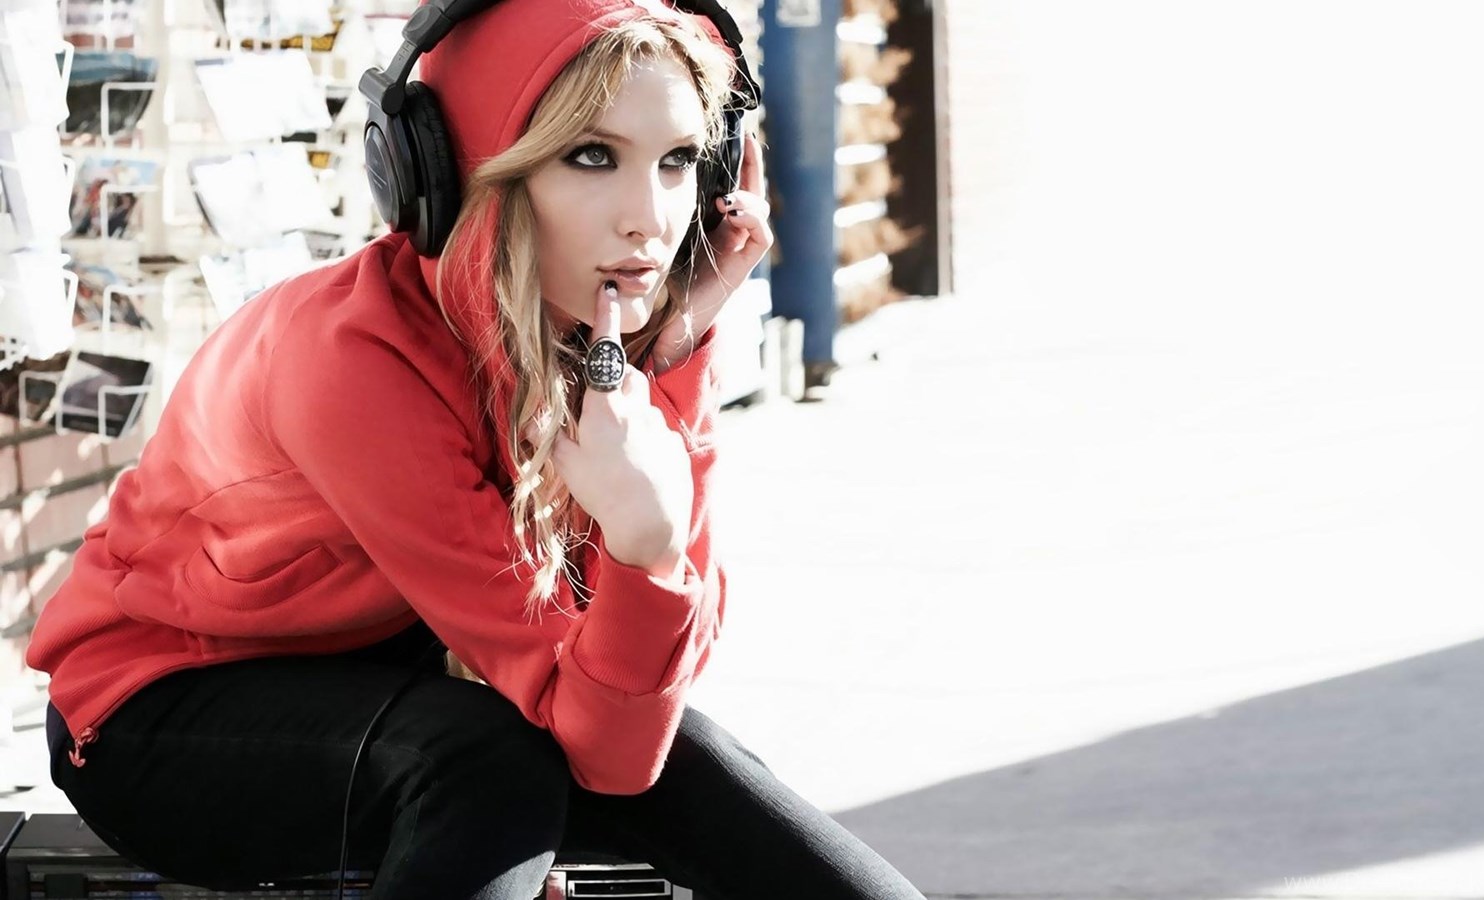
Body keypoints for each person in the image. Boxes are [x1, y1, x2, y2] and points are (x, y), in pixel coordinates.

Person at [23, 1, 930, 898]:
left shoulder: (574, 328)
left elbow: (636, 710)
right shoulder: (349, 361)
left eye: (679, 161)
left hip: (381, 675)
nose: (651, 220)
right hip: (156, 716)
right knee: (488, 766)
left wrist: (674, 356)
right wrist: (646, 549)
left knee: (686, 759)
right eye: (591, 156)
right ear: (457, 172)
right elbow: (600, 732)